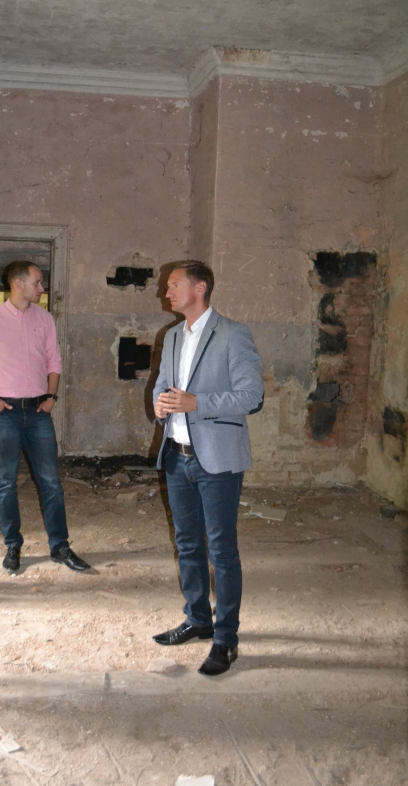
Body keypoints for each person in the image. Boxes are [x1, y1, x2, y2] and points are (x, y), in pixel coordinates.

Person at [152, 260, 263, 676]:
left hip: (217, 460)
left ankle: (226, 639)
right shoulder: (172, 336)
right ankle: (198, 619)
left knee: (222, 551)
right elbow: (163, 385)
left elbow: (252, 396)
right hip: (176, 456)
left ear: (199, 288)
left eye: (174, 285)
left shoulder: (233, 334)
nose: (167, 292)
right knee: (187, 545)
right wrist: (160, 405)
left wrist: (197, 403)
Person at [0, 260, 90, 574]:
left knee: (51, 482)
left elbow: (54, 362)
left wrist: (51, 397)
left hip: (39, 413)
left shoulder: (45, 319)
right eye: (37, 282)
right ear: (18, 284)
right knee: (5, 483)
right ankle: (13, 545)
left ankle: (60, 547)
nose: (42, 288)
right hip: (5, 413)